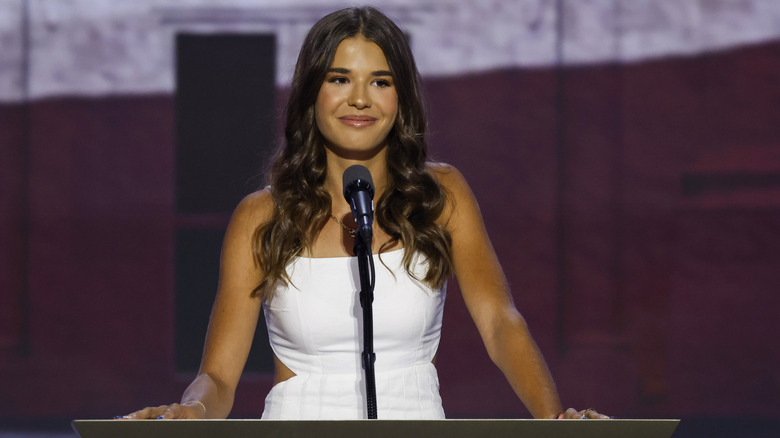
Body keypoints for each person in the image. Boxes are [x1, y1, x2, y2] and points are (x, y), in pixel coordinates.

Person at [122, 6, 608, 420]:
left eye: (380, 81)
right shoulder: (261, 217)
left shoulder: (442, 194)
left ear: (401, 99)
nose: (360, 99)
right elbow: (218, 376)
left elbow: (501, 323)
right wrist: (189, 411)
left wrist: (554, 420)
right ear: (313, 93)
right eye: (340, 79)